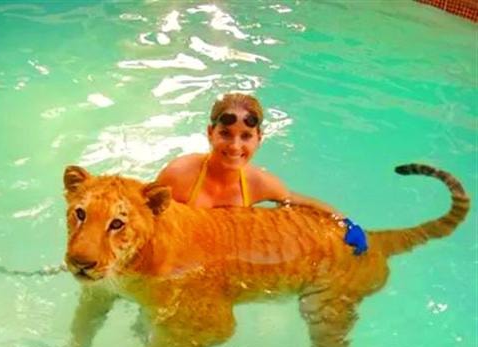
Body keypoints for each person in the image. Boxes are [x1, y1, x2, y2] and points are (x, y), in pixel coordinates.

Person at [156, 93, 367, 255]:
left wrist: (347, 223)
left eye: (246, 136)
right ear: (210, 133)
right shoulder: (179, 174)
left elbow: (297, 201)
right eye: (225, 134)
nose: (235, 146)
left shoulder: (260, 183)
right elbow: (145, 212)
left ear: (259, 138)